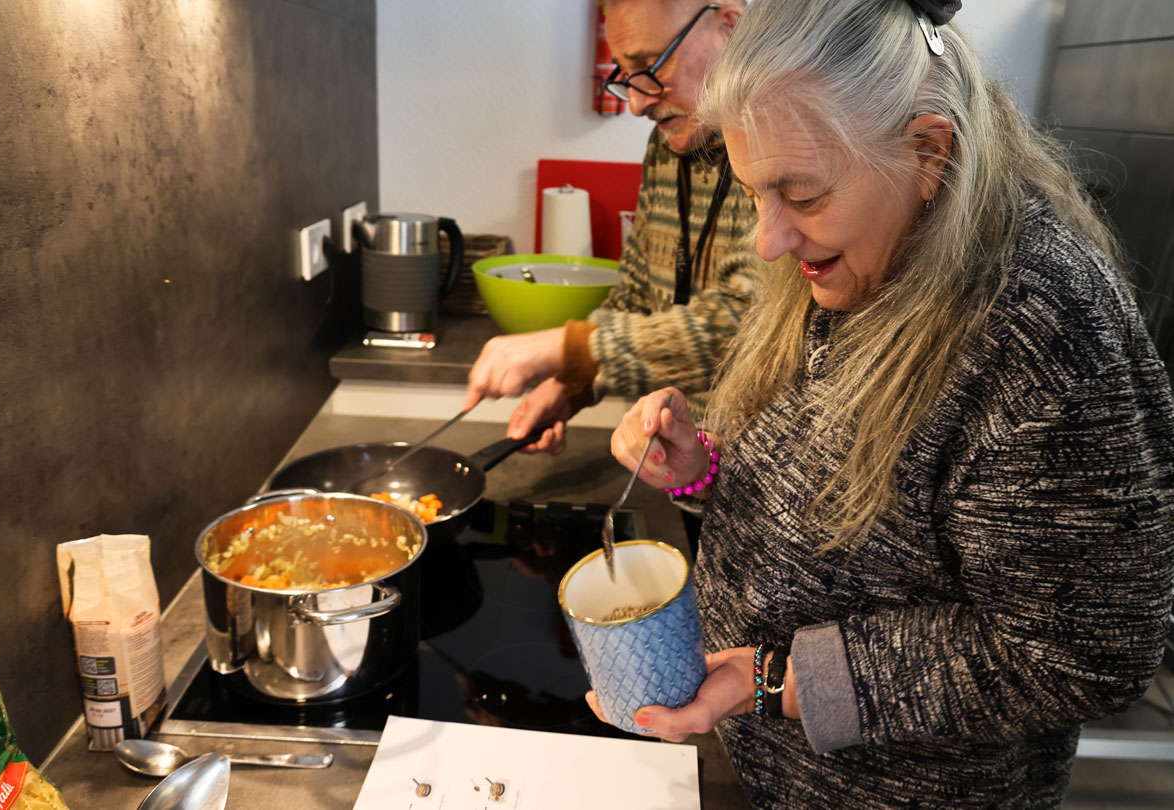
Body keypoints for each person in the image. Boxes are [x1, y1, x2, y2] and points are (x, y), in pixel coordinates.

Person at [600, 0, 1174, 807]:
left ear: (928, 150)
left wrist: (775, 679)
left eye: (800, 195)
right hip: (773, 774)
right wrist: (705, 471)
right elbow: (845, 499)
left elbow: (1084, 653)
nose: (769, 239)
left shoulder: (1041, 327)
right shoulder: (855, 254)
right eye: (755, 193)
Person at [462, 0, 771, 454]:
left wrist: (572, 349)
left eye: (651, 65)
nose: (638, 103)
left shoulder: (780, 143)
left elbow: (747, 324)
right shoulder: (667, 144)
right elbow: (637, 294)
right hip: (684, 458)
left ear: (730, 25)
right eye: (626, 75)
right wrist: (570, 387)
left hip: (770, 481)